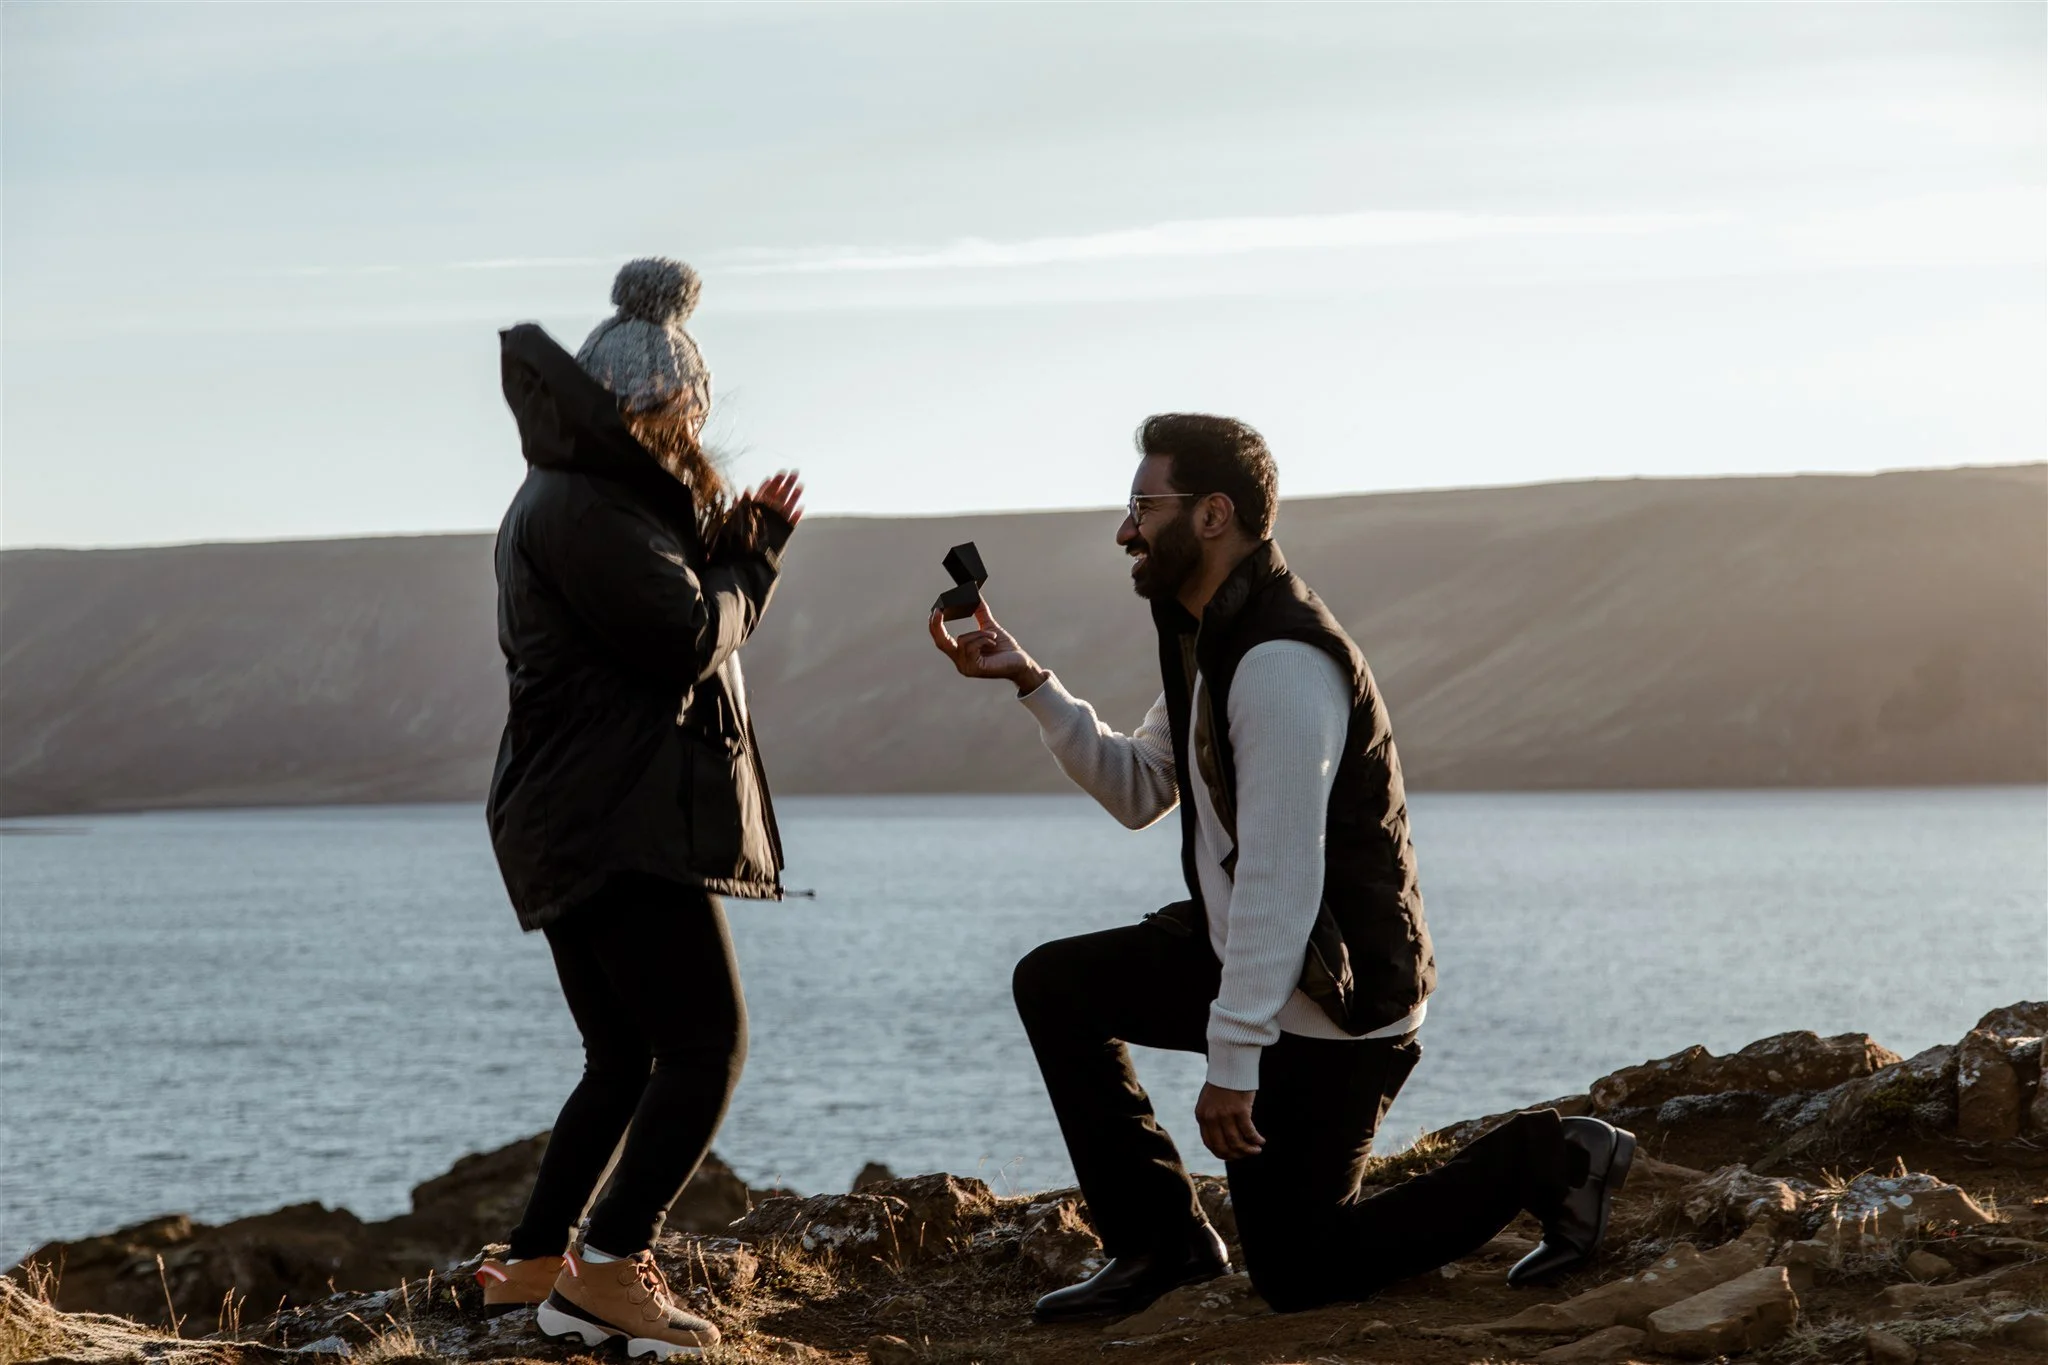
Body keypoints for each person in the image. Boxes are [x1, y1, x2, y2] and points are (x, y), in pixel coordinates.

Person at [929, 414, 1633, 1322]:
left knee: (1298, 1272)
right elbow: (1142, 788)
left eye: (1144, 506)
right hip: (1266, 962)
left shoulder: (1279, 663)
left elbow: (1281, 877)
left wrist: (1234, 1061)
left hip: (1336, 999)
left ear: (1213, 514)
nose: (1125, 530)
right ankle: (1163, 1243)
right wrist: (1031, 681)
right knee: (1056, 984)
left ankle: (1552, 1157)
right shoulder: (1211, 636)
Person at [476, 257, 804, 1359]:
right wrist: (751, 561)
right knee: (707, 1047)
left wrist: (717, 552)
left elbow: (648, 619)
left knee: (619, 1053)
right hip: (612, 818)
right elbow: (682, 637)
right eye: (687, 413)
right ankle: (608, 1270)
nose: (697, 431)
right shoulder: (589, 506)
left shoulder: (577, 496)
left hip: (570, 811)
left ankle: (534, 1263)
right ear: (651, 408)